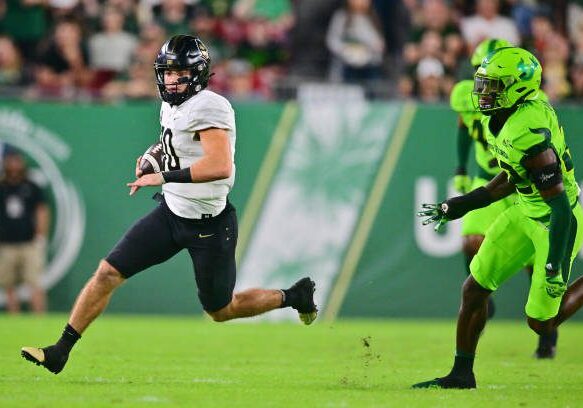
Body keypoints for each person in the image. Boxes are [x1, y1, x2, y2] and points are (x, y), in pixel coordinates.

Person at [21, 35, 317, 374]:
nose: (170, 80)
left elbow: (220, 165)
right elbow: (173, 145)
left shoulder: (210, 105)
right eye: (166, 72)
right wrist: (152, 157)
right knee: (107, 273)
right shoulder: (172, 105)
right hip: (171, 213)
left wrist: (162, 177)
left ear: (199, 73)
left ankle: (294, 296)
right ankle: (60, 350)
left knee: (221, 310)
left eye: (178, 73)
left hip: (209, 224)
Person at [416, 46, 583, 389]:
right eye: (483, 84)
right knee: (474, 289)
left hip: (554, 222)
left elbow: (562, 210)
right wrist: (462, 203)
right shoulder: (503, 117)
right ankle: (462, 373)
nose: (483, 93)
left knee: (542, 322)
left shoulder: (529, 134)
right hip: (526, 210)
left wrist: (553, 265)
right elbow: (511, 177)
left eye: (493, 86)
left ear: (517, 88)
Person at [450, 38, 558, 358]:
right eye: (480, 78)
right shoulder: (471, 100)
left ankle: (547, 337)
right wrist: (460, 167)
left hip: (527, 192)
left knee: (536, 271)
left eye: (492, 83)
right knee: (471, 244)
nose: (482, 90)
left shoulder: (530, 115)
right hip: (493, 181)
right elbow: (464, 128)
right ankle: (463, 364)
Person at [0, 150, 50, 314]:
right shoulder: (2, 186)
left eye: (17, 161)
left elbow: (42, 210)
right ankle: (14, 318)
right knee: (8, 284)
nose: (14, 165)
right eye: (10, 161)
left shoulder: (31, 186)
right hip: (6, 243)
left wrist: (40, 235)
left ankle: (39, 318)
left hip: (29, 243)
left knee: (34, 282)